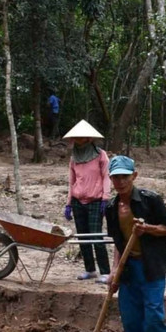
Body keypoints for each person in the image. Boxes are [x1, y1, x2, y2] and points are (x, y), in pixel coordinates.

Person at [104, 155, 166, 332]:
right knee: (131, 322)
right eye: (116, 177)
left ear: (134, 176)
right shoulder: (111, 208)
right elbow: (118, 242)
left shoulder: (150, 200)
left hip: (151, 267)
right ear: (111, 179)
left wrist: (148, 229)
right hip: (128, 271)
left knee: (153, 319)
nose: (120, 181)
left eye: (125, 176)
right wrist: (115, 271)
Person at [63, 120, 111, 284]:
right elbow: (72, 181)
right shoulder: (74, 158)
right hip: (78, 201)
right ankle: (90, 270)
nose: (78, 140)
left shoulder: (101, 155)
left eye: (81, 137)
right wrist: (69, 203)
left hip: (95, 201)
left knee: (96, 236)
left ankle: (105, 272)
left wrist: (105, 198)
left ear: (89, 139)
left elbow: (106, 177)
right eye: (76, 138)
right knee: (83, 237)